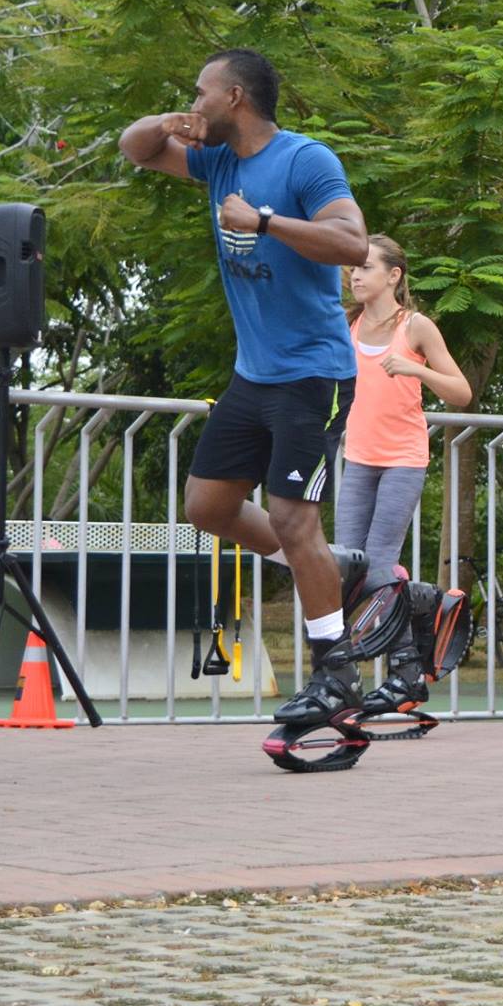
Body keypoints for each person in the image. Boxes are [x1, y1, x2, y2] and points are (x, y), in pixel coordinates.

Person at [118, 48, 372, 731]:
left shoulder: (303, 159)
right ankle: (327, 563)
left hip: (313, 373)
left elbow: (354, 245)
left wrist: (264, 223)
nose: (193, 101)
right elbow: (136, 148)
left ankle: (335, 671)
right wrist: (166, 118)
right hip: (252, 375)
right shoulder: (216, 160)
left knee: (292, 516)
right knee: (207, 505)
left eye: (199, 92)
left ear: (233, 96)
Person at [335, 234, 473, 715]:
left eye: (366, 267)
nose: (355, 274)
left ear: (393, 276)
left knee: (377, 566)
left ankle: (405, 673)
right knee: (345, 572)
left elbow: (461, 392)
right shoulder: (345, 324)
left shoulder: (415, 327)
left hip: (403, 459)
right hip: (359, 459)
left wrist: (416, 372)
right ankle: (374, 669)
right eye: (353, 267)